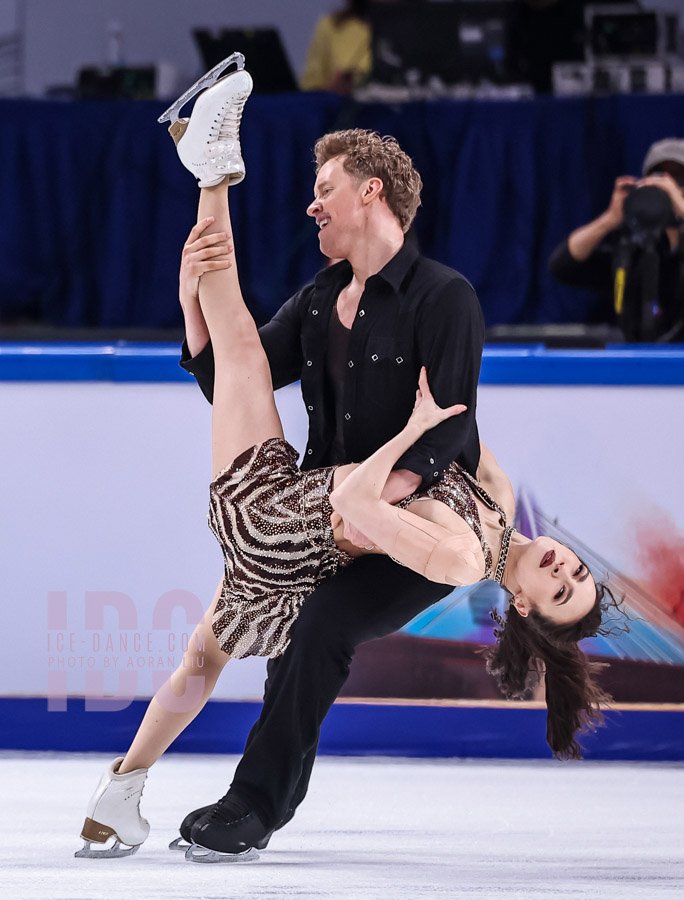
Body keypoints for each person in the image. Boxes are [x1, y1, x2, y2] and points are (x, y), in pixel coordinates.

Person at [75, 56, 615, 863]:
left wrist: (400, 466)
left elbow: (441, 435)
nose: (565, 565)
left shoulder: (445, 298)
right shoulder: (326, 296)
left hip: (335, 516)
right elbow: (234, 381)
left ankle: (255, 805)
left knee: (321, 626)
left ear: (370, 193)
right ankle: (121, 796)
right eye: (576, 570)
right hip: (298, 501)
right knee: (212, 649)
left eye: (561, 589)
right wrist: (192, 315)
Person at [548, 138, 684, 341]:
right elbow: (563, 267)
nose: (669, 187)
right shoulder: (633, 251)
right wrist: (610, 219)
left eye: (679, 179)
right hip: (639, 357)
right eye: (660, 179)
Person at [300, 0, 371, 94]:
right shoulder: (332, 25)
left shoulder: (390, 28)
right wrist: (331, 90)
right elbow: (308, 87)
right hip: (341, 101)